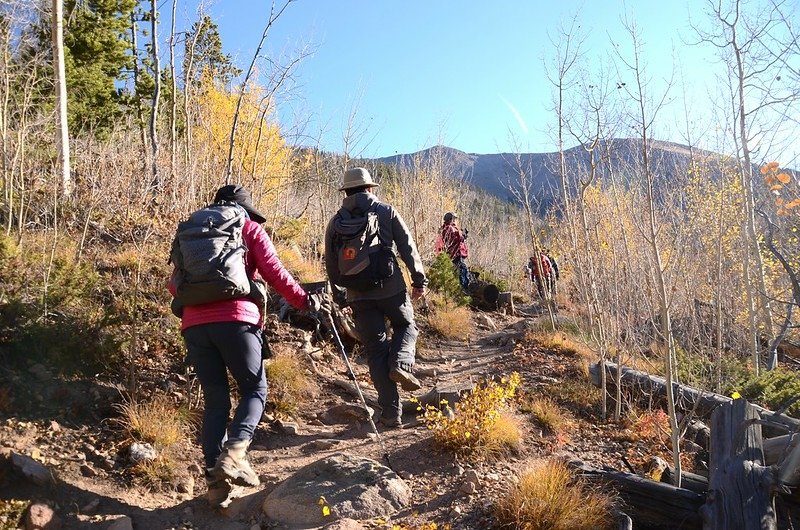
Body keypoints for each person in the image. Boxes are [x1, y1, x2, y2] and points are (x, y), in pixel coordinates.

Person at [169, 184, 322, 506]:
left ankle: (215, 484)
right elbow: (275, 272)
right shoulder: (248, 227)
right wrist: (303, 300)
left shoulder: (192, 232)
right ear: (245, 208)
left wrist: (202, 304)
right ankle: (236, 452)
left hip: (194, 327)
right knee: (254, 389)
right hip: (237, 320)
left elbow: (173, 285)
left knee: (215, 402)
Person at [324, 167, 427, 429]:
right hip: (390, 287)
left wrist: (342, 297)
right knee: (406, 326)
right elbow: (407, 247)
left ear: (345, 192)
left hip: (358, 295)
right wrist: (418, 280)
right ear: (370, 188)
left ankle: (391, 415)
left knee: (375, 350)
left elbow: (331, 266)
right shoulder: (385, 211)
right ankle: (401, 363)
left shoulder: (336, 222)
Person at [435, 212, 470, 289]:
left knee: (459, 270)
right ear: (451, 219)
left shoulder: (447, 228)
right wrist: (463, 236)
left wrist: (462, 235)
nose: (455, 221)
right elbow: (455, 240)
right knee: (462, 270)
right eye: (454, 219)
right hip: (455, 253)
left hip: (454, 253)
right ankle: (464, 288)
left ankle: (461, 287)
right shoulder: (449, 228)